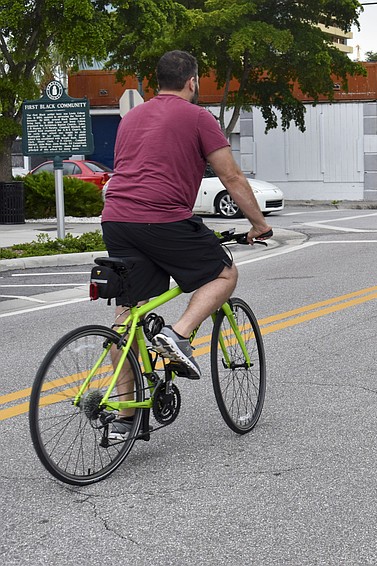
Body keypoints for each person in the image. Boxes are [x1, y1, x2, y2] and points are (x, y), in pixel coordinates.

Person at [101, 50, 272, 439]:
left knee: (127, 317)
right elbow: (231, 178)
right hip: (161, 218)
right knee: (225, 273)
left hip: (116, 218)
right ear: (192, 81)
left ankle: (126, 417)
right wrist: (258, 224)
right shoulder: (198, 117)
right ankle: (177, 335)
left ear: (156, 79)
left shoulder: (133, 118)